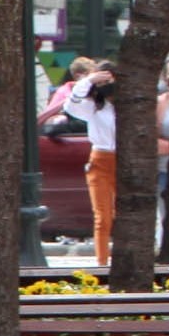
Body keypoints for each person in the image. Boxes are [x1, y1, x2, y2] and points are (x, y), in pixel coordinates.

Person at [62, 63, 124, 260]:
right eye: (102, 82)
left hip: (125, 161)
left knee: (127, 215)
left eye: (109, 80)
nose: (106, 85)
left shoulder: (129, 107)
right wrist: (89, 80)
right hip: (101, 159)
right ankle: (102, 263)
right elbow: (70, 105)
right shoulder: (94, 107)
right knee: (102, 217)